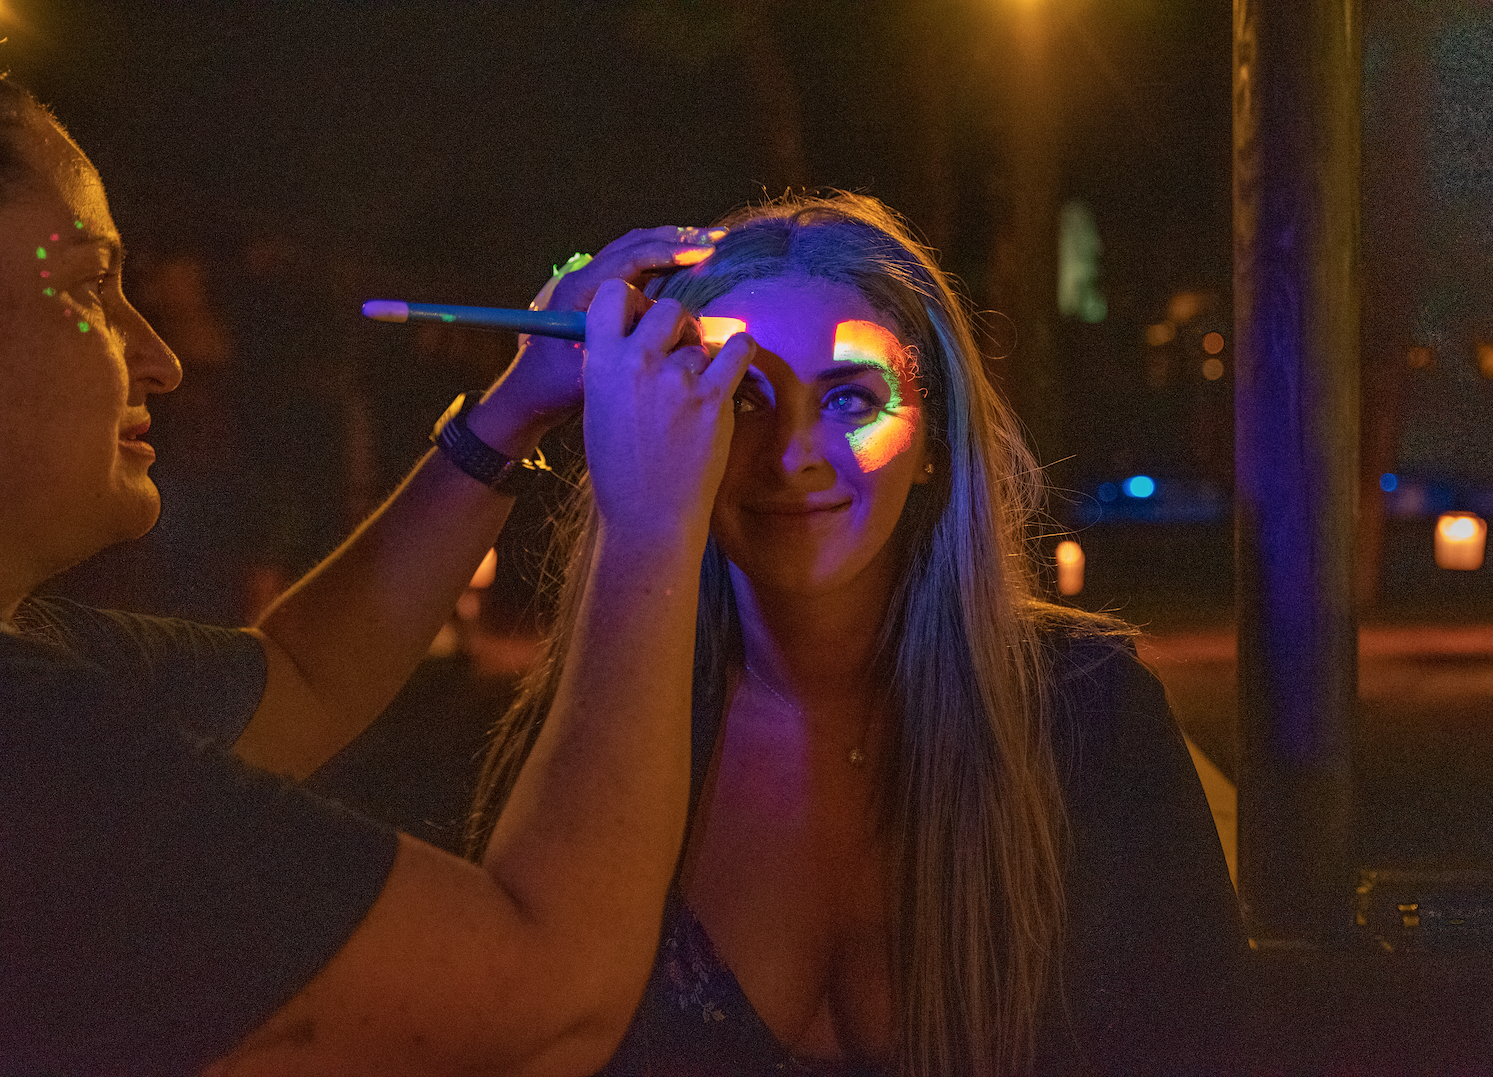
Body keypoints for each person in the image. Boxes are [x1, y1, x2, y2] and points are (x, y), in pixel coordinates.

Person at [0, 75, 757, 1076]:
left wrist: (513, 409)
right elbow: (548, 1001)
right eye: (93, 288)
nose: (159, 357)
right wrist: (652, 522)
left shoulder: (44, 674)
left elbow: (300, 679)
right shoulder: (35, 760)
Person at [470, 194, 1248, 1075]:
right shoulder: (590, 731)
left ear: (933, 442)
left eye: (849, 399)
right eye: (742, 398)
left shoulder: (1085, 709)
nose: (792, 453)